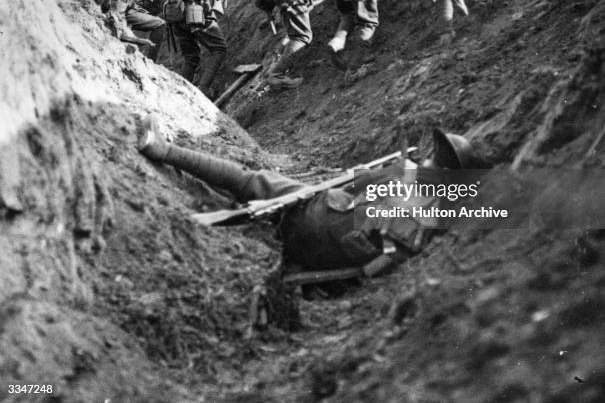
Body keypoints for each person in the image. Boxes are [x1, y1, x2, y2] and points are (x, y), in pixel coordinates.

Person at [138, 115, 488, 274]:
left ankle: (163, 150)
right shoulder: (431, 224)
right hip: (322, 260)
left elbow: (351, 183)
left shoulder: (407, 174)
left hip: (309, 221)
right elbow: (377, 267)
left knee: (252, 180)